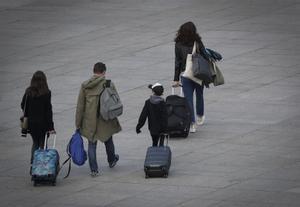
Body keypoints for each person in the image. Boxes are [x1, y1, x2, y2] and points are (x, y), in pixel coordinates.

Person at [75, 62, 121, 177]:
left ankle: (94, 169)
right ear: (104, 72)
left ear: (93, 71)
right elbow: (115, 100)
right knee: (108, 139)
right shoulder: (109, 84)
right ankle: (111, 160)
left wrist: (78, 123)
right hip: (105, 119)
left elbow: (80, 106)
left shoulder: (85, 85)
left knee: (92, 144)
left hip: (90, 120)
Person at [173, 21, 207, 133]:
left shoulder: (178, 44)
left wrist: (176, 79)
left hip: (185, 74)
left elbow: (177, 62)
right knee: (199, 95)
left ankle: (192, 123)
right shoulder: (197, 42)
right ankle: (200, 115)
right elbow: (205, 56)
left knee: (188, 100)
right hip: (199, 73)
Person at [21, 71, 55, 174]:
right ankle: (43, 167)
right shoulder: (46, 93)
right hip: (43, 125)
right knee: (43, 145)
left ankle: (33, 165)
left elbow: (23, 105)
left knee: (35, 143)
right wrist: (51, 127)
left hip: (31, 124)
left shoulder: (28, 92)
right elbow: (48, 111)